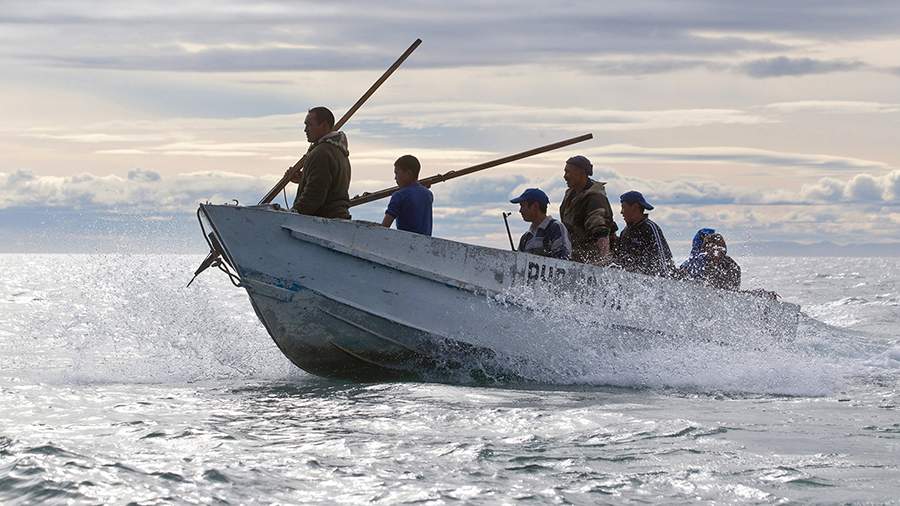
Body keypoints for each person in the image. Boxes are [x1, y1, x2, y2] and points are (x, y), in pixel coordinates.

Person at [290, 106, 352, 219]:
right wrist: (303, 179)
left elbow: (314, 195)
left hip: (324, 221)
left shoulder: (321, 153)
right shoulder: (339, 152)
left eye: (309, 125)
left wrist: (292, 215)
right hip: (338, 219)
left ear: (324, 125)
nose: (305, 129)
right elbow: (328, 185)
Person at [559, 155, 617, 264]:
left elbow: (601, 233)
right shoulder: (570, 195)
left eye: (568, 172)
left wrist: (603, 261)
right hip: (573, 259)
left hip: (590, 261)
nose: (565, 176)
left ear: (581, 172)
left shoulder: (595, 198)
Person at [614, 191, 675, 277]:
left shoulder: (650, 228)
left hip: (654, 281)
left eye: (623, 207)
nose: (621, 212)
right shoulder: (625, 232)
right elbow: (620, 259)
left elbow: (664, 259)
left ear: (635, 207)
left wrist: (666, 281)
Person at [510, 188, 572, 260]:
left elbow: (563, 261)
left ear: (535, 206)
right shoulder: (525, 238)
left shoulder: (556, 228)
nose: (520, 210)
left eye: (522, 206)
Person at [381, 155, 433, 235]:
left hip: (405, 243)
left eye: (397, 173)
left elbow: (384, 227)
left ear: (408, 173)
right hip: (425, 244)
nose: (395, 178)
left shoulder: (399, 196)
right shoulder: (428, 194)